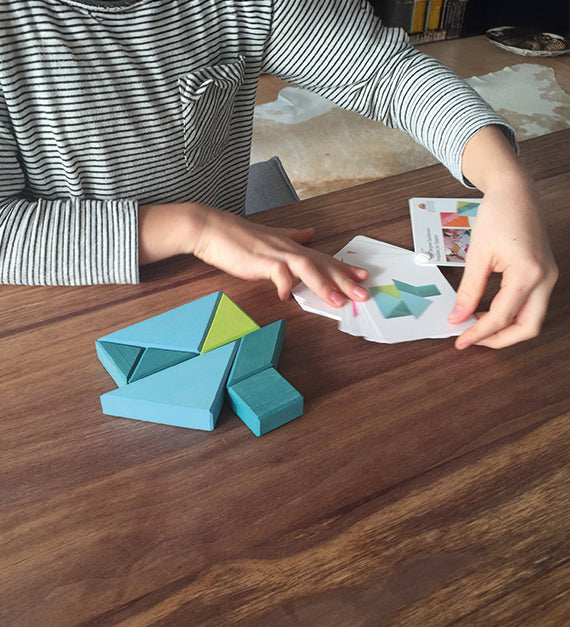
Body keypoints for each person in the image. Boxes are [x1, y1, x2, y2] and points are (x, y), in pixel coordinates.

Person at [0, 0, 557, 350]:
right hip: (67, 286)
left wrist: (507, 182)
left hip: (233, 278)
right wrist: (194, 227)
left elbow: (390, 73)